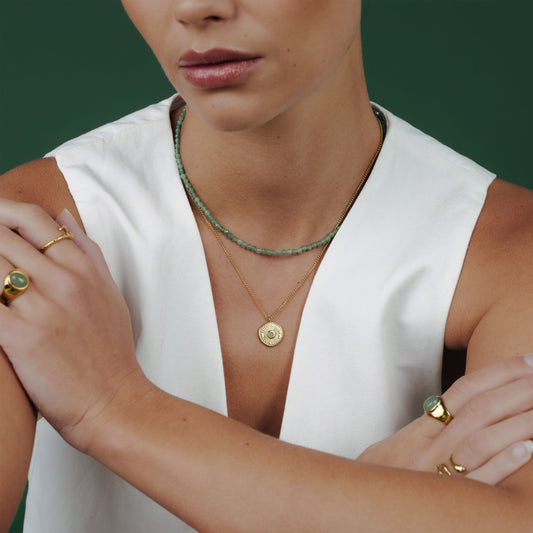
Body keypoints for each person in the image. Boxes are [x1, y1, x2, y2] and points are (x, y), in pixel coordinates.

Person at [1, 1, 532, 531]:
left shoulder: (510, 251)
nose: (195, 7)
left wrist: (114, 408)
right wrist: (361, 514)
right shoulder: (32, 231)